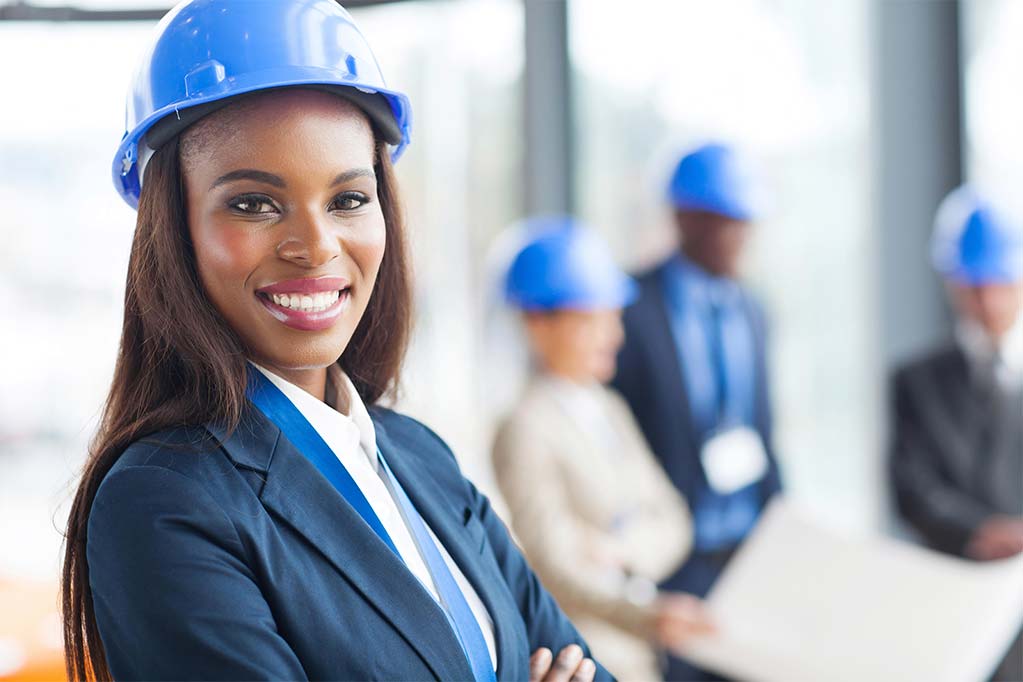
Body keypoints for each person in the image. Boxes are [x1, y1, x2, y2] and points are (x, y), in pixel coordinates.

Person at [60, 2, 612, 680]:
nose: (316, 246)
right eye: (253, 203)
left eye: (348, 199)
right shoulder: (163, 501)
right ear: (176, 233)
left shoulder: (418, 457)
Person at [492, 218, 716, 681]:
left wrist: (619, 548)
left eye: (613, 317)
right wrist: (649, 613)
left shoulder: (610, 408)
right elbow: (557, 566)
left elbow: (674, 520)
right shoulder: (524, 428)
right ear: (538, 322)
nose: (613, 335)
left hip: (640, 656)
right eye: (592, 320)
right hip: (584, 658)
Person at [611, 143, 783, 680]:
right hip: (674, 563)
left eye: (744, 222)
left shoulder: (753, 310)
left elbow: (762, 429)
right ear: (684, 219)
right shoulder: (630, 308)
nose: (739, 236)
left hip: (749, 558)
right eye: (724, 221)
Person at [889, 185, 1023, 682]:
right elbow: (909, 487)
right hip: (950, 599)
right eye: (974, 286)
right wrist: (978, 533)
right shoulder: (915, 381)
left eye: (1001, 283)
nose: (988, 300)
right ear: (951, 285)